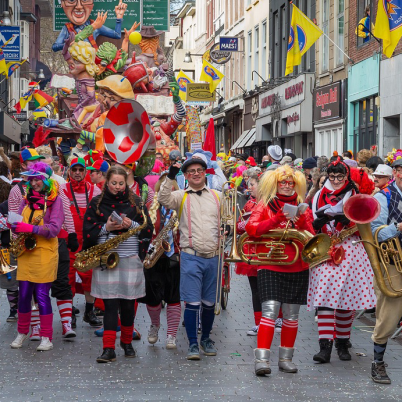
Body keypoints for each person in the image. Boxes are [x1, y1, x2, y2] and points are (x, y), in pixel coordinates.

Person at [246, 165, 314, 376]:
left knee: (292, 315)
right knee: (270, 311)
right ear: (275, 184)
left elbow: (311, 235)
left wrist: (300, 220)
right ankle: (262, 360)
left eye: (290, 183)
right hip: (270, 262)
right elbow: (251, 228)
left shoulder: (302, 205)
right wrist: (276, 219)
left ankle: (286, 359)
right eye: (282, 183)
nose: (286, 186)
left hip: (295, 265)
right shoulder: (265, 204)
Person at [82, 166, 153, 363]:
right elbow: (87, 229)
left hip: (130, 258)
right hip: (107, 260)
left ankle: (127, 342)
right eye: (114, 183)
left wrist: (130, 225)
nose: (117, 187)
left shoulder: (136, 202)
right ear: (106, 182)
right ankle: (108, 348)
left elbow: (148, 229)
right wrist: (106, 227)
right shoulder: (96, 203)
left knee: (129, 305)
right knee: (111, 305)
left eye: (121, 183)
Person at [309, 157, 376, 364]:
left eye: (340, 176)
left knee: (347, 301)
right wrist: (318, 222)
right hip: (326, 249)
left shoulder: (355, 194)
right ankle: (325, 347)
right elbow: (311, 222)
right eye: (332, 176)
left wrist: (349, 219)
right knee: (325, 300)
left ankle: (342, 342)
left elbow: (366, 221)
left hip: (351, 250)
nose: (336, 180)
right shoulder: (319, 195)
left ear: (347, 176)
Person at [158, 157, 221, 360]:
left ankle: (206, 339)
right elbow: (163, 199)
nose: (196, 173)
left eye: (199, 170)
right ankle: (193, 343)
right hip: (190, 255)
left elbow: (227, 219)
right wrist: (169, 177)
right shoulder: (181, 196)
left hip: (213, 256)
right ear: (185, 175)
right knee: (192, 303)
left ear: (205, 172)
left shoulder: (218, 196)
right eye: (191, 171)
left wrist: (227, 228)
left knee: (209, 303)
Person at [10, 163, 64, 351]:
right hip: (26, 252)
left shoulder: (55, 200)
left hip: (45, 253)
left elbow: (55, 228)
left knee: (42, 296)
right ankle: (22, 332)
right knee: (24, 295)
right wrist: (13, 224)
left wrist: (31, 228)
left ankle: (46, 337)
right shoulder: (26, 200)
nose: (34, 183)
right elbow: (17, 219)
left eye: (37, 179)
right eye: (31, 179)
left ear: (46, 180)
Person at [370, 158, 402, 383]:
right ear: (398, 173)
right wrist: (398, 227)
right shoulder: (383, 196)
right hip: (392, 259)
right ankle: (377, 363)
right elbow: (375, 233)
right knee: (389, 313)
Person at [62, 157, 102, 328]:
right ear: (69, 171)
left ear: (85, 172)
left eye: (80, 170)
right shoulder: (62, 189)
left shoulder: (95, 190)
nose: (77, 173)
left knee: (89, 277)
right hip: (69, 240)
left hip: (88, 241)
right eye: (74, 170)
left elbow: (101, 215)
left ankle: (89, 311)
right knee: (68, 277)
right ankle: (69, 312)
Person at [142, 177, 181, 349]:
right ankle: (155, 324)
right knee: (152, 298)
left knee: (174, 297)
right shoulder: (151, 207)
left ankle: (171, 334)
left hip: (174, 257)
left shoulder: (180, 208)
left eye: (171, 188)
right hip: (154, 256)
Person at [235, 172, 261, 336]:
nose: (249, 188)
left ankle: (277, 318)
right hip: (251, 250)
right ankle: (258, 323)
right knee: (255, 289)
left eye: (252, 185)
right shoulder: (249, 204)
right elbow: (238, 226)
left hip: (268, 250)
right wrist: (244, 224)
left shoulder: (270, 203)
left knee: (271, 289)